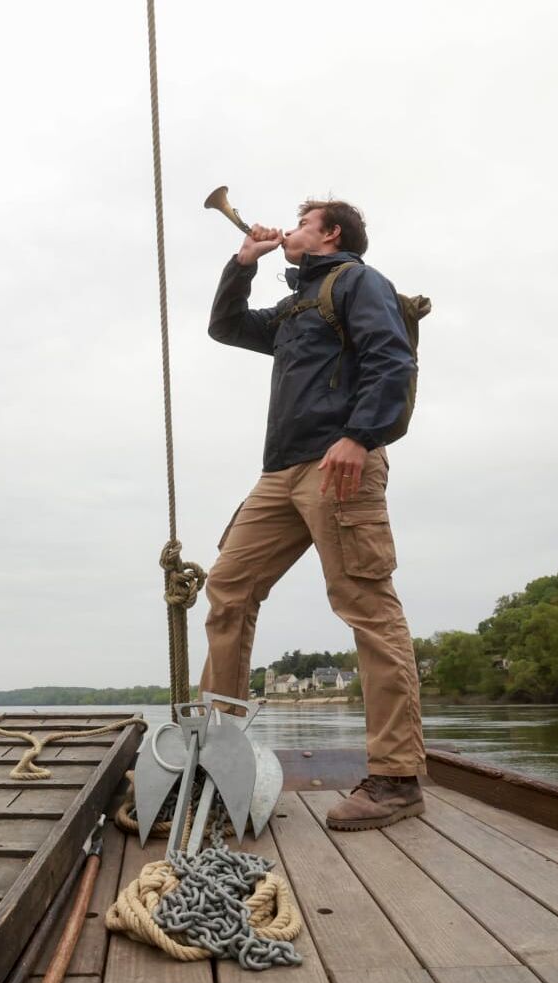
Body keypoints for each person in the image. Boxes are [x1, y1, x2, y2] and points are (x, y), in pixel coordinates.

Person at [203, 198, 425, 831]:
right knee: (228, 590)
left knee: (365, 603)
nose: (288, 229)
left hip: (339, 462)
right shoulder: (296, 307)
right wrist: (243, 262)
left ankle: (397, 778)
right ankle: (218, 759)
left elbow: (391, 359)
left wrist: (359, 435)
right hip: (281, 473)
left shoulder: (357, 281)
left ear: (328, 234)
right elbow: (227, 327)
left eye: (302, 223)